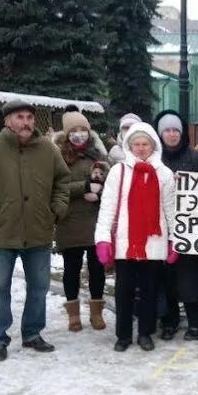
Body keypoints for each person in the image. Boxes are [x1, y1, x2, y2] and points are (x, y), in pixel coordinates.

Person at [0, 100, 72, 362]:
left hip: (39, 230)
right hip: (4, 231)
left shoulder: (47, 149)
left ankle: (32, 332)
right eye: (20, 117)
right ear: (7, 121)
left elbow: (63, 180)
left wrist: (56, 209)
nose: (26, 122)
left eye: (29, 117)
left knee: (39, 286)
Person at [95, 123, 179, 351]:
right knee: (124, 291)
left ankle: (145, 332)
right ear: (129, 145)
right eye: (136, 144)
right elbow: (108, 207)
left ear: (153, 146)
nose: (141, 148)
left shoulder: (163, 173)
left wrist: (175, 240)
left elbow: (170, 209)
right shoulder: (118, 171)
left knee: (149, 290)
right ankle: (123, 335)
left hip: (154, 243)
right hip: (126, 243)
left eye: (145, 144)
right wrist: (102, 238)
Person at [52, 110, 109, 333]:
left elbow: (110, 183)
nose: (79, 135)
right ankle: (73, 315)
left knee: (97, 270)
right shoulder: (58, 156)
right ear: (66, 135)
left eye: (82, 130)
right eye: (73, 131)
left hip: (95, 220)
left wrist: (100, 193)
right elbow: (56, 188)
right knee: (71, 270)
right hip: (70, 221)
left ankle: (96, 313)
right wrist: (83, 188)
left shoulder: (98, 155)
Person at [155, 109, 198, 340]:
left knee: (190, 276)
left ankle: (196, 321)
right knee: (164, 276)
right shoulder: (153, 160)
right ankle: (169, 320)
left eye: (175, 130)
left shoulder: (196, 158)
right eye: (167, 130)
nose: (172, 134)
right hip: (160, 227)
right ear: (160, 133)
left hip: (190, 227)